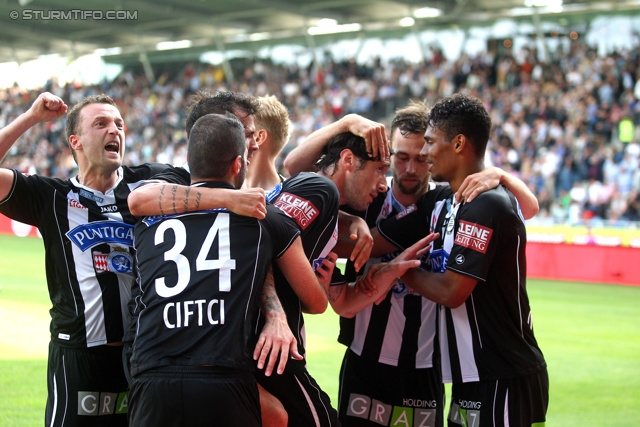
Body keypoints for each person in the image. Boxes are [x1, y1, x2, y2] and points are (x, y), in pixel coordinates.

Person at [284, 103, 540, 427]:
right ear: (388, 155)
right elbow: (297, 169)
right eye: (401, 157)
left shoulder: (443, 203)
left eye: (421, 157)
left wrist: (500, 174)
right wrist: (345, 123)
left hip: (424, 368)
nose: (410, 168)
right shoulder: (366, 198)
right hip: (365, 361)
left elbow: (528, 207)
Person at [128, 113, 327, 426]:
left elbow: (137, 200)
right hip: (221, 377)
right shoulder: (264, 219)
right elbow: (316, 302)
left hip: (151, 374)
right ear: (238, 164)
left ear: (190, 161)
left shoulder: (149, 218)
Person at [374, 93, 548, 427]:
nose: (424, 154)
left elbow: (452, 292)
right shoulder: (445, 202)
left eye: (430, 142)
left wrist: (396, 271)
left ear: (458, 144)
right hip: (472, 376)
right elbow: (375, 238)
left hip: (503, 375)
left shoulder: (486, 205)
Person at [0, 92, 170, 426]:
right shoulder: (52, 197)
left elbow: (211, 179)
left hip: (141, 354)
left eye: (120, 124)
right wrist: (31, 117)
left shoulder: (150, 181)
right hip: (78, 354)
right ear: (75, 141)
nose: (115, 131)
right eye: (102, 123)